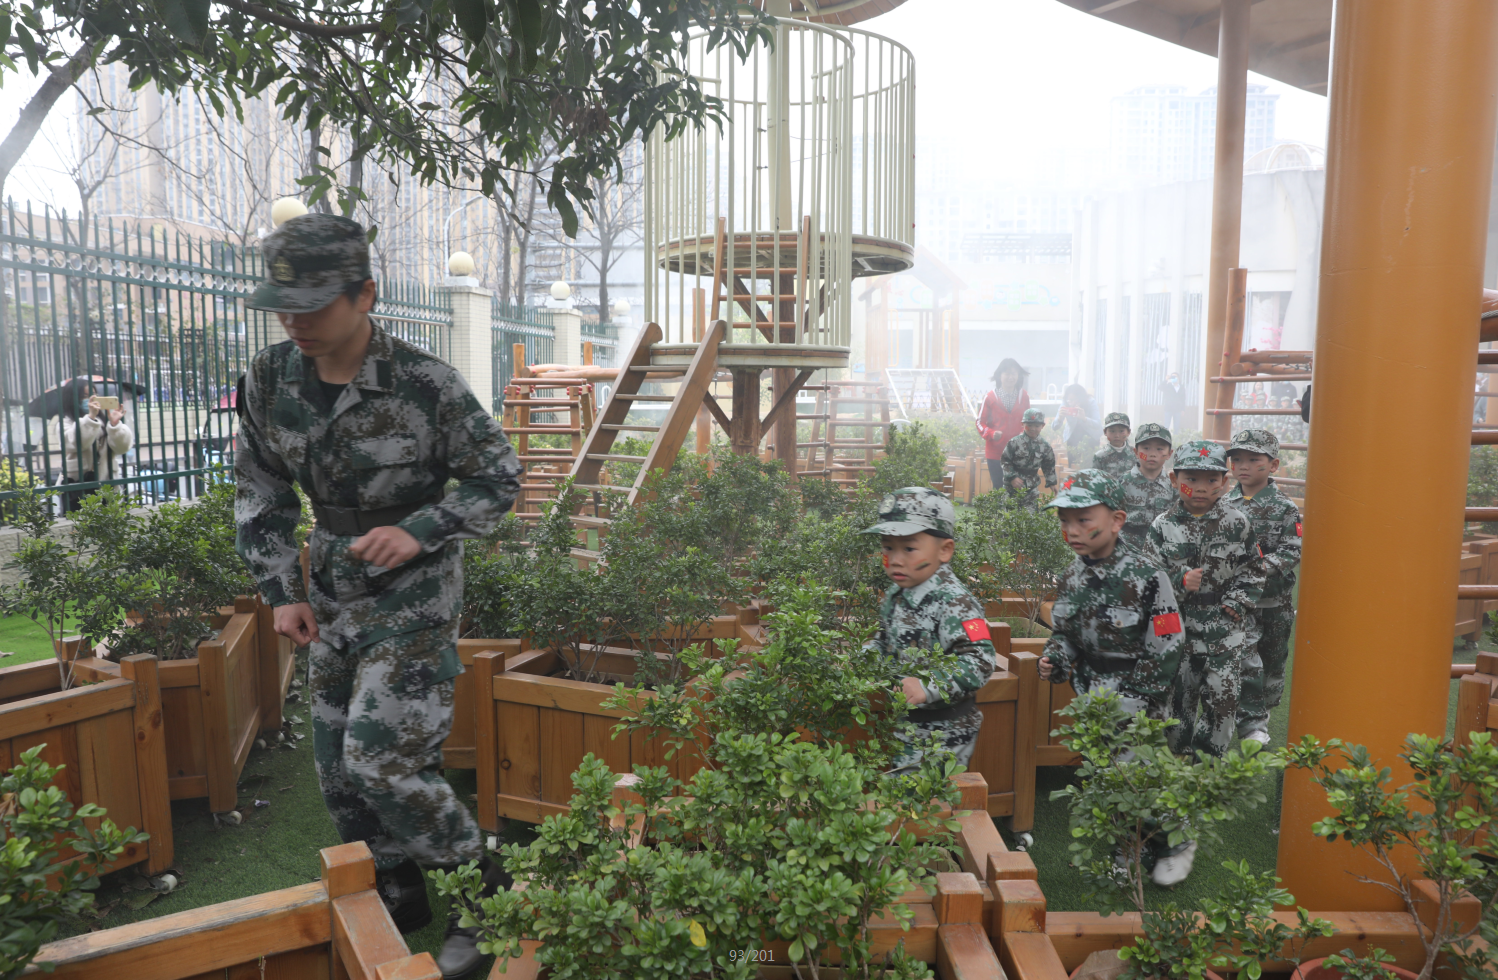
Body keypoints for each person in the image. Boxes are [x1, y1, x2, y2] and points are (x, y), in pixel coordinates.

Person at [234, 213, 524, 980]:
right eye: (283, 303)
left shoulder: (427, 385)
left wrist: (424, 527)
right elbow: (261, 486)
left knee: (382, 757)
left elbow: (500, 480)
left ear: (365, 294)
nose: (294, 319)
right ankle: (395, 891)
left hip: (415, 595)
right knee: (336, 767)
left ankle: (484, 893)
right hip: (328, 594)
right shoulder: (269, 378)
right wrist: (280, 592)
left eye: (316, 303)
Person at [1144, 440, 1264, 764]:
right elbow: (1148, 578)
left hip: (1224, 627)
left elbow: (1253, 570)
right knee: (1179, 699)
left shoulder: (1238, 523)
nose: (1201, 487)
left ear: (1226, 483)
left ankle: (1208, 764)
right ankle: (1178, 758)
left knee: (1223, 699)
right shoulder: (1161, 526)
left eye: (1211, 480)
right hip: (1178, 627)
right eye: (1191, 479)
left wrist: (1238, 600)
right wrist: (1180, 581)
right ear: (1173, 480)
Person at [862, 487, 997, 773]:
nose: (896, 559)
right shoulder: (897, 593)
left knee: (928, 807)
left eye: (909, 548)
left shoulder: (954, 601)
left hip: (945, 732)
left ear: (944, 550)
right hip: (906, 724)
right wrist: (859, 661)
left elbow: (980, 662)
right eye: (888, 547)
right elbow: (883, 642)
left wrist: (928, 686)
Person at [1037, 468, 1183, 720]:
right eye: (1064, 520)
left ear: (1117, 520)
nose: (1071, 530)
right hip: (1088, 698)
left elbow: (1167, 644)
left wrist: (1136, 697)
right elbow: (1066, 633)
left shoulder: (1148, 577)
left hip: (1138, 708)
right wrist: (1055, 657)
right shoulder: (1071, 576)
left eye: (1083, 520)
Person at [1226, 429, 1300, 746]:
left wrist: (1258, 567)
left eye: (1253, 459)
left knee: (1271, 660)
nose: (1243, 466)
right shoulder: (1222, 503)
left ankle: (1264, 711)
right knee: (1245, 657)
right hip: (1237, 601)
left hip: (1274, 600)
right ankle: (1251, 723)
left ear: (1273, 465)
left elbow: (1292, 550)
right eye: (1237, 459)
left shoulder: (1285, 508)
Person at [58, 382, 134, 513]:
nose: (92, 399)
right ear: (72, 398)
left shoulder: (105, 422)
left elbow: (122, 448)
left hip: (107, 484)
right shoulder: (66, 423)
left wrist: (115, 425)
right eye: (85, 396)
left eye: (94, 395)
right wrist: (91, 418)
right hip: (78, 487)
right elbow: (79, 443)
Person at [976, 358, 1031, 491]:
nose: (1010, 377)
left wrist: (1023, 434)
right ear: (999, 376)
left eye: (1014, 373)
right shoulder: (990, 397)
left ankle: (1015, 512)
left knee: (1017, 489)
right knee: (999, 488)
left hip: (1017, 453)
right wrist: (991, 433)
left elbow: (1028, 421)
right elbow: (979, 422)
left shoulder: (1024, 396)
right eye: (1007, 373)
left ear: (1018, 376)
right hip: (995, 453)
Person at [1119, 423, 1174, 549]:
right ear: (1136, 452)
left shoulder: (1172, 485)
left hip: (1160, 550)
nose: (1153, 454)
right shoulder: (1123, 482)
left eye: (1160, 449)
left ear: (1169, 454)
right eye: (1146, 448)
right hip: (1127, 549)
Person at [1000, 408, 1058, 509]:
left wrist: (1052, 482)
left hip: (1031, 487)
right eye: (1029, 425)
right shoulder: (1014, 442)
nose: (1033, 428)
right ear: (1023, 425)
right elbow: (1005, 461)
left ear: (1042, 426)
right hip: (1012, 487)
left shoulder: (1045, 446)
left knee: (1030, 518)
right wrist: (1012, 477)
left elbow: (1048, 465)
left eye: (1037, 425)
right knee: (1009, 517)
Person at [1056, 383, 1102, 467]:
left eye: (1073, 400)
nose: (1071, 403)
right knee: (1073, 464)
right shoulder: (1065, 403)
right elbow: (1054, 427)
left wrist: (1084, 418)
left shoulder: (1090, 402)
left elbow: (1097, 424)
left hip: (1091, 436)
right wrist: (1059, 418)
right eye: (1069, 400)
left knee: (1090, 465)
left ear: (1081, 399)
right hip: (1073, 436)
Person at [1091, 412, 1133, 480]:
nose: (1116, 435)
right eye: (1112, 431)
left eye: (1121, 431)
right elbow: (1095, 481)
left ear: (1128, 432)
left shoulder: (1135, 454)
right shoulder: (1100, 456)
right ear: (1105, 432)